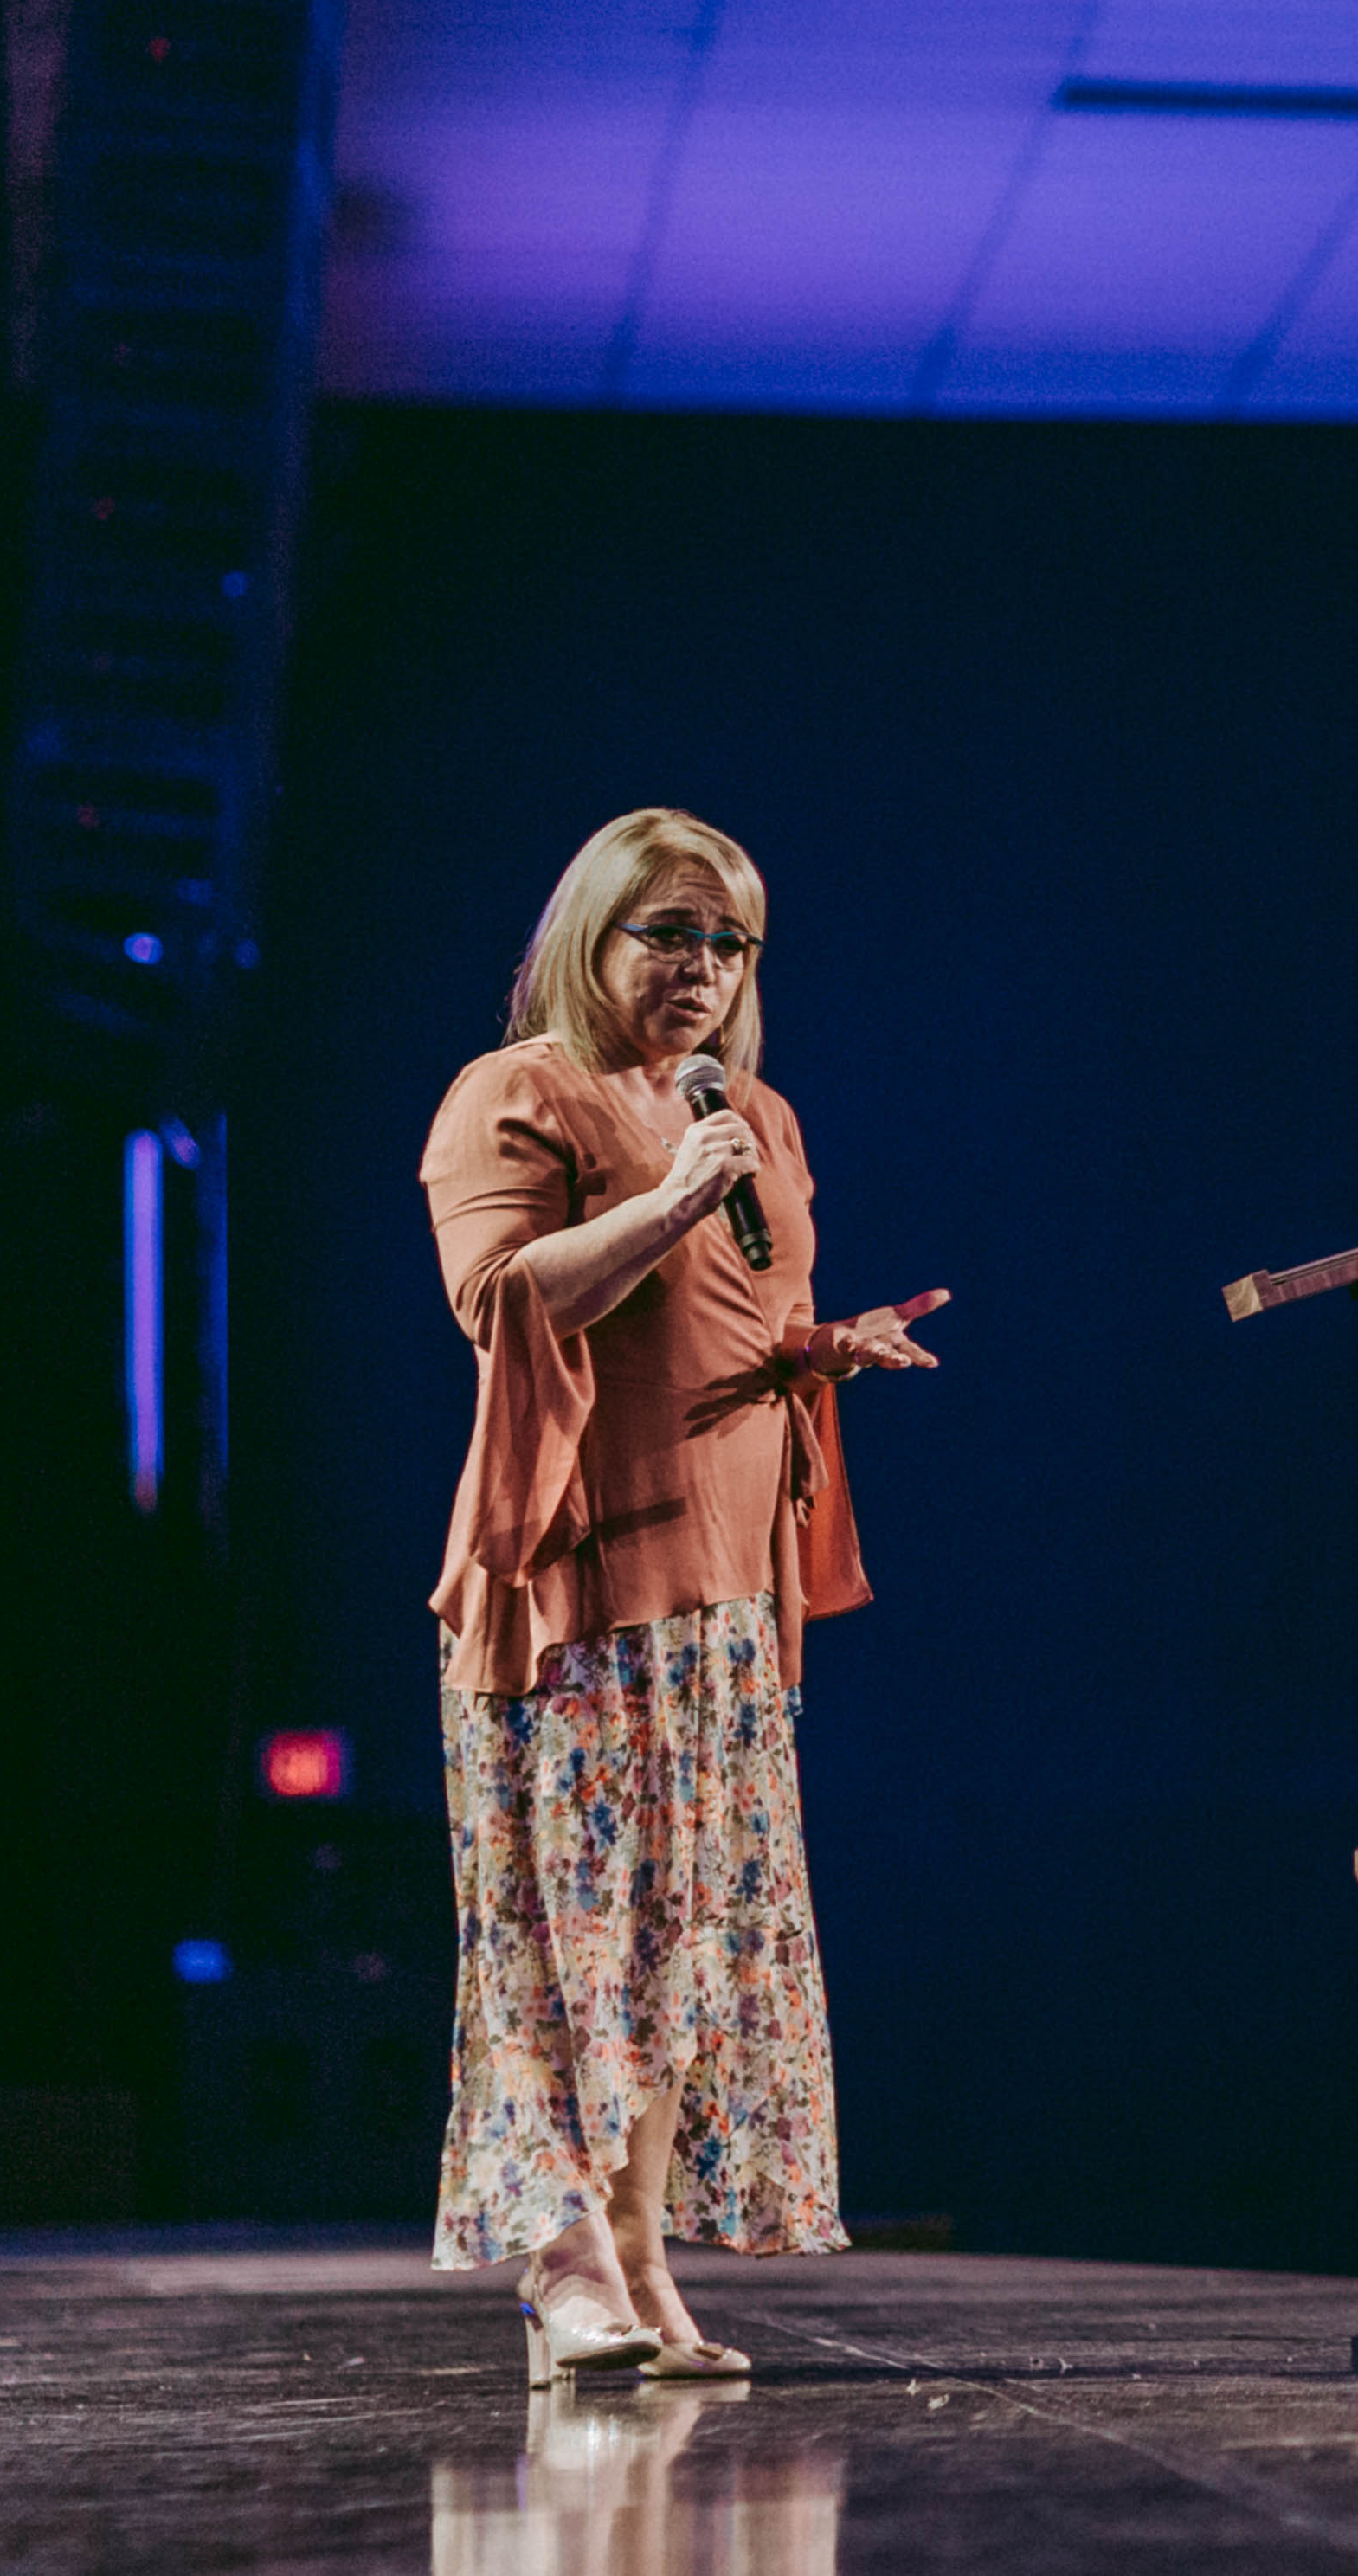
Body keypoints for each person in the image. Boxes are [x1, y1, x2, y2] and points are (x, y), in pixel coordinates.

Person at [425, 808, 946, 2384]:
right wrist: (667, 1193)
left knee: (674, 1951)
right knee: (557, 1942)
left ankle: (643, 2255)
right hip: (575, 1589)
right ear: (591, 935)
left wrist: (824, 1346)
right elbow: (498, 1298)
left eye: (729, 941)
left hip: (726, 1600)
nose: (702, 966)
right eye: (669, 931)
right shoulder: (516, 1092)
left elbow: (743, 1311)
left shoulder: (757, 1116)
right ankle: (564, 2263)